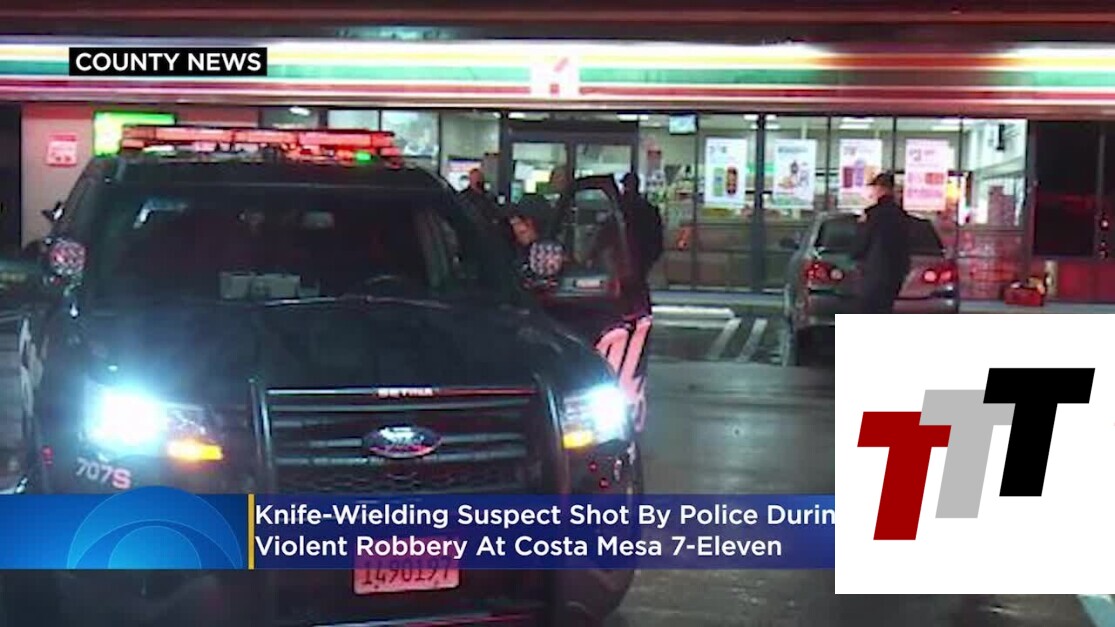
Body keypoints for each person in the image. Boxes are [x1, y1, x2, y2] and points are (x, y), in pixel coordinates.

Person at [851, 172, 911, 314]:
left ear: (880, 188)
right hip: (895, 273)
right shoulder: (901, 216)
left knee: (868, 310)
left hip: (874, 272)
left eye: (875, 188)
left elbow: (863, 241)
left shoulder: (872, 214)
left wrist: (855, 255)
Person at [619, 172, 664, 315]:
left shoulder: (622, 206)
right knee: (639, 282)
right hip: (643, 251)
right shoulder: (647, 207)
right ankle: (641, 309)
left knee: (629, 283)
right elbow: (656, 232)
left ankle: (632, 309)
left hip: (629, 250)